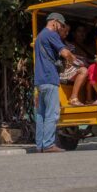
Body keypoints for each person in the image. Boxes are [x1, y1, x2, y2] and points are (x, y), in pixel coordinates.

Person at [34, 12, 75, 153]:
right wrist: (73, 60)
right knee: (52, 113)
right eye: (61, 25)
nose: (61, 28)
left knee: (41, 114)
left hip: (39, 80)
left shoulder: (39, 36)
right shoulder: (52, 35)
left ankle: (40, 145)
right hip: (49, 77)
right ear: (55, 22)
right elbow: (65, 53)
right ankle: (49, 145)